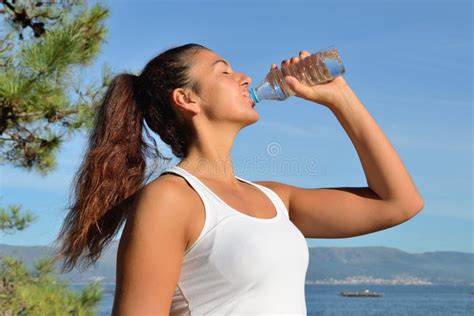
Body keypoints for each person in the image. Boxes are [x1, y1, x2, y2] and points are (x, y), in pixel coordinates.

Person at [56, 43, 424, 315]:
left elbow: (399, 203)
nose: (245, 77)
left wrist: (339, 97)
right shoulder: (170, 199)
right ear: (187, 99)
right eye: (224, 71)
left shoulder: (275, 199)